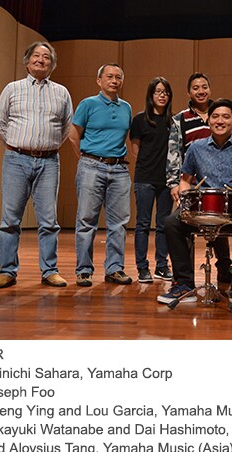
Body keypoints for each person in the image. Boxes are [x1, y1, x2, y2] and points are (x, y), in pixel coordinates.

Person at [158, 99, 232, 308]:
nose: (220, 121)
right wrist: (184, 197)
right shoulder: (196, 148)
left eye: (226, 117)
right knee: (172, 223)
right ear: (208, 120)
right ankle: (183, 283)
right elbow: (185, 179)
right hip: (203, 207)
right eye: (215, 116)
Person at [0, 41, 73, 289]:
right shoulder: (12, 88)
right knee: (10, 220)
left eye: (46, 57)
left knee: (49, 221)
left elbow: (66, 127)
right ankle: (7, 271)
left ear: (52, 65)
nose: (41, 60)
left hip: (49, 161)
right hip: (16, 160)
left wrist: (47, 146)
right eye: (36, 55)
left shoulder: (61, 92)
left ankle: (50, 271)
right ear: (27, 61)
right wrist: (17, 144)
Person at [166, 73, 232, 283]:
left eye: (204, 87)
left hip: (217, 183)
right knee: (180, 226)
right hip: (190, 184)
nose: (201, 91)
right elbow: (173, 153)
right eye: (195, 88)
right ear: (189, 92)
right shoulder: (180, 119)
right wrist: (174, 184)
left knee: (220, 225)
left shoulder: (220, 114)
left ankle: (224, 268)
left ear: (210, 89)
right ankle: (183, 275)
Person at [69, 63, 132, 287]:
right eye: (109, 77)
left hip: (120, 169)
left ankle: (114, 268)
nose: (114, 81)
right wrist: (85, 159)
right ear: (99, 80)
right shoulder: (88, 104)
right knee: (86, 220)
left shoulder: (126, 107)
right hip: (91, 166)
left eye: (118, 77)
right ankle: (84, 270)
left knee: (119, 223)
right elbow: (73, 134)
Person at [130, 77, 174, 283]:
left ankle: (162, 266)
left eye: (165, 92)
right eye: (158, 91)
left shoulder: (173, 121)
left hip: (167, 181)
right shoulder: (140, 120)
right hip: (145, 178)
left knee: (164, 224)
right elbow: (135, 149)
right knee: (143, 224)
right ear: (151, 95)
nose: (162, 95)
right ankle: (142, 267)